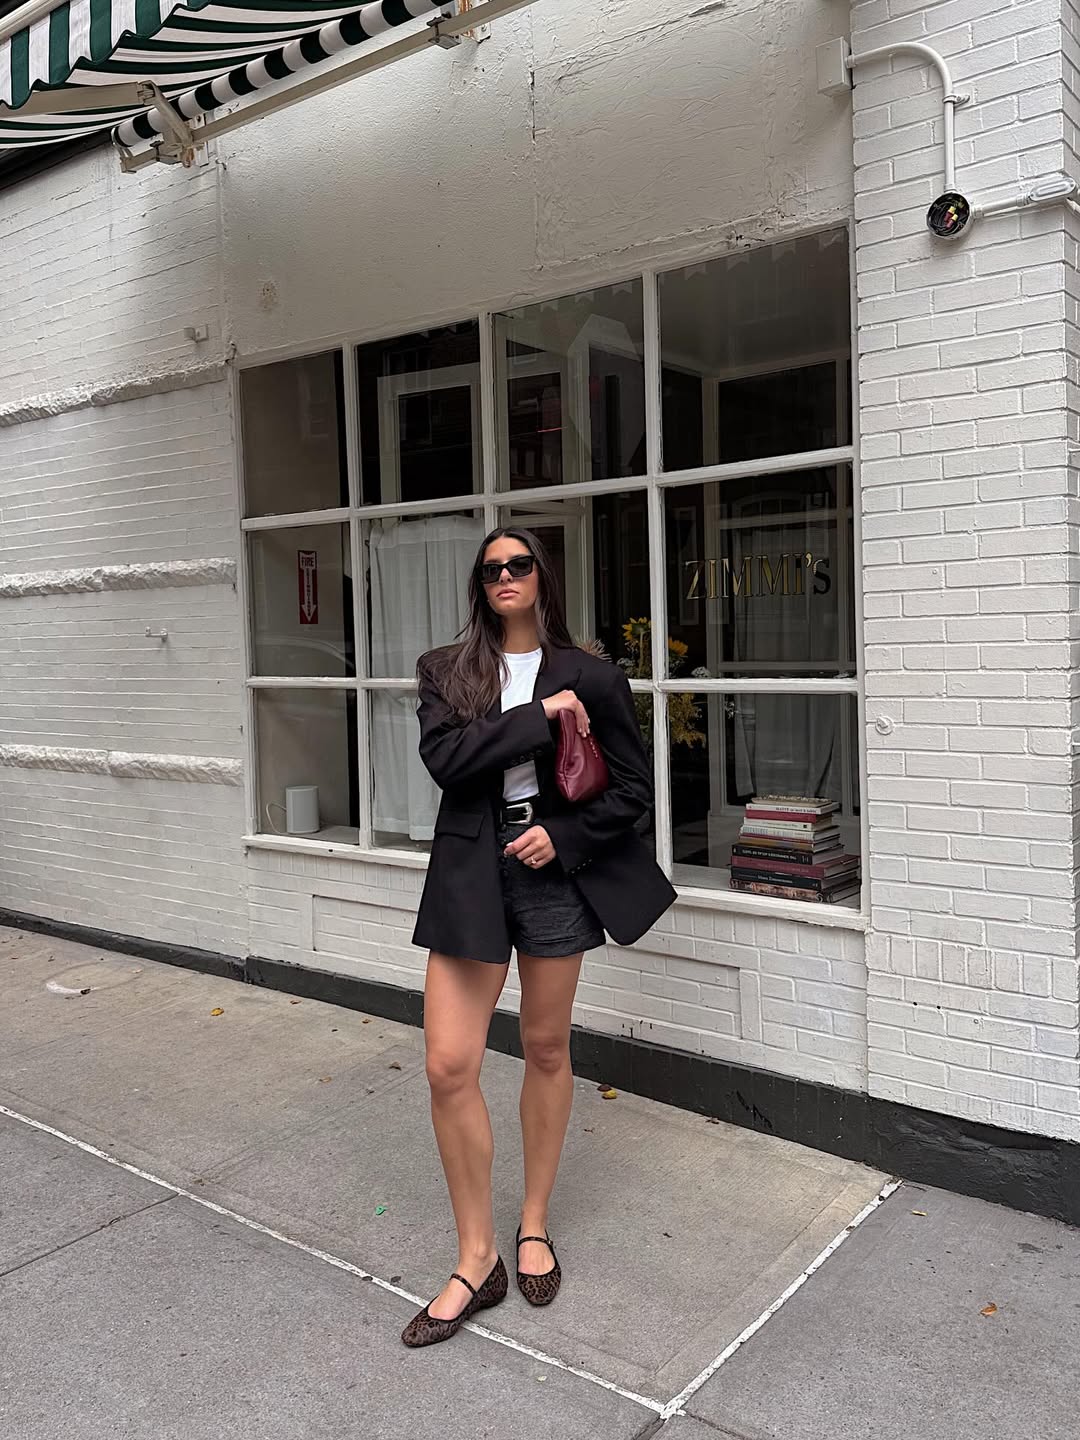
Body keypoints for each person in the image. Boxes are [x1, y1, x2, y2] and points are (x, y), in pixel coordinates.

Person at [400, 526, 677, 1349]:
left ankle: (532, 1224)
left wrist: (565, 835)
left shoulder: (593, 676)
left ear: (541, 577)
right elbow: (449, 761)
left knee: (547, 1047)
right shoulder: (446, 671)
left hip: (554, 873)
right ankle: (475, 1258)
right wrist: (536, 717)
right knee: (448, 1064)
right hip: (471, 872)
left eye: (518, 564)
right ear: (480, 585)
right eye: (491, 569)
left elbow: (632, 791)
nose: (505, 576)